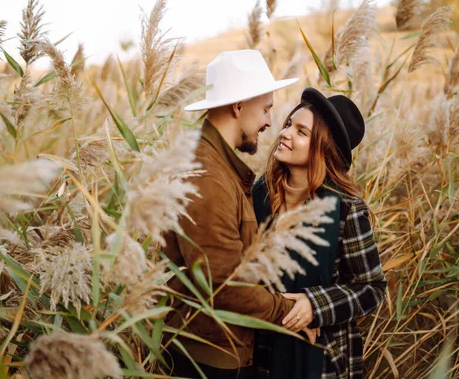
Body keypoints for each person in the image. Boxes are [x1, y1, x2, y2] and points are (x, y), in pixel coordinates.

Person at [162, 49, 300, 379]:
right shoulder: (209, 177)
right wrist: (289, 311)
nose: (269, 121)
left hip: (215, 349)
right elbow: (222, 284)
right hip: (208, 359)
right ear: (238, 106)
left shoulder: (217, 166)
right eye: (266, 109)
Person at [252, 87, 387, 379]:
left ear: (323, 149)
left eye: (301, 132)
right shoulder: (260, 194)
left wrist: (314, 306)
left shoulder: (346, 209)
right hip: (265, 349)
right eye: (289, 124)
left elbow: (372, 287)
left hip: (324, 358)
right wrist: (282, 307)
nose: (285, 133)